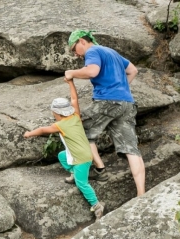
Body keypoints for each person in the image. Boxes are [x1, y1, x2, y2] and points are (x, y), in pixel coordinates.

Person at [65, 29, 146, 197]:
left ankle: (99, 169)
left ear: (82, 41)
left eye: (74, 49)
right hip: (127, 103)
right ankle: (141, 194)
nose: (75, 55)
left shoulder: (92, 51)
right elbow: (133, 70)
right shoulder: (111, 52)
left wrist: (72, 73)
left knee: (78, 128)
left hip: (107, 101)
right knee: (131, 149)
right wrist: (121, 89)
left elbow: (92, 71)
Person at [23, 78, 105, 219]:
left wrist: (29, 133)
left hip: (81, 158)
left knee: (82, 184)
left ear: (56, 113)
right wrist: (70, 83)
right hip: (83, 154)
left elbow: (43, 129)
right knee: (62, 155)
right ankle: (74, 173)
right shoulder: (76, 116)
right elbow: (74, 98)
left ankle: (97, 205)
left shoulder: (59, 125)